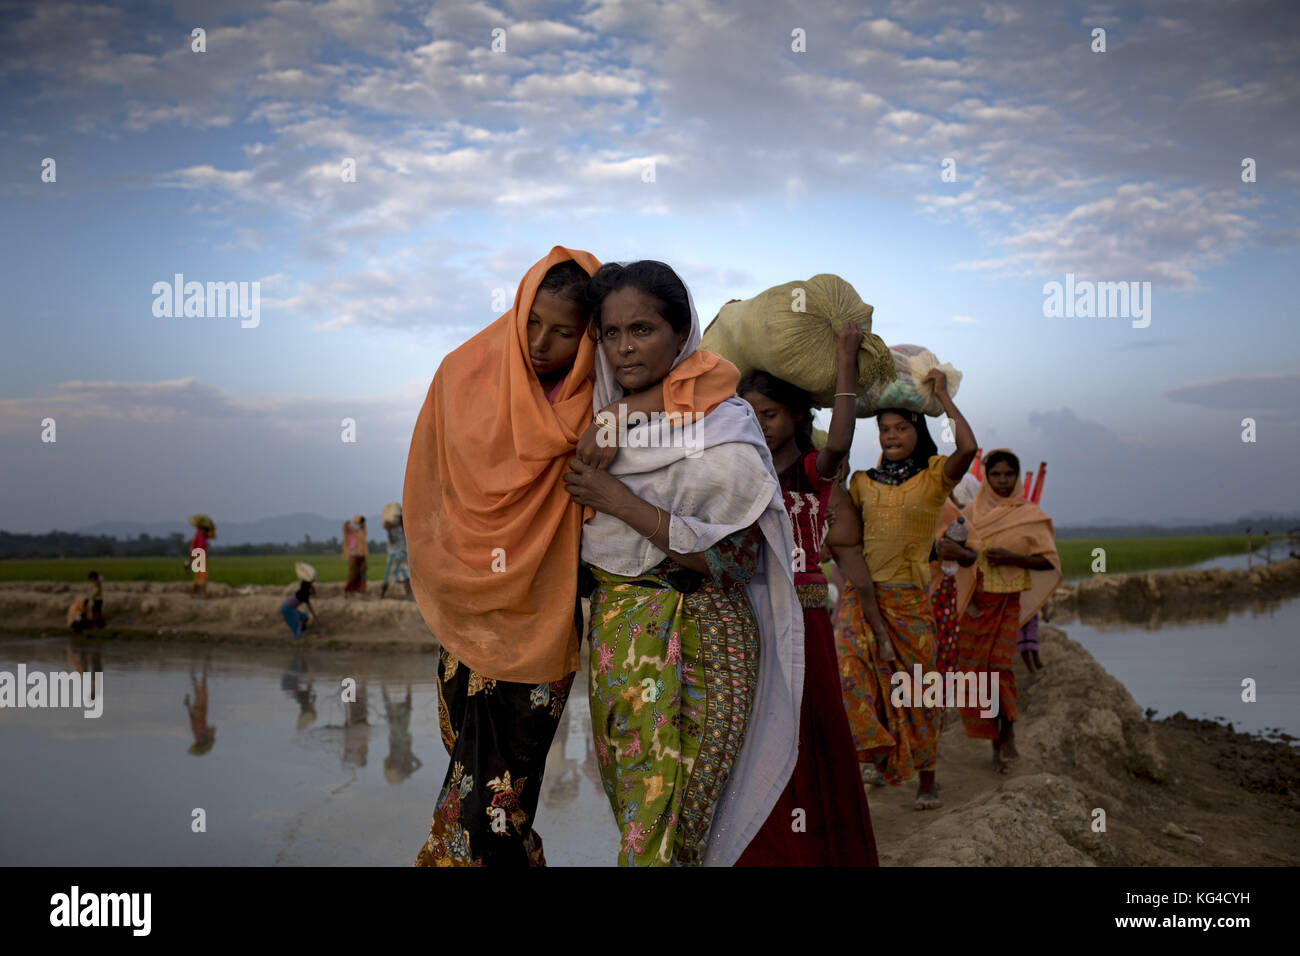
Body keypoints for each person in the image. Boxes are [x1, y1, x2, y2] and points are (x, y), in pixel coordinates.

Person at [403, 247, 738, 867]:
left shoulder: (596, 392)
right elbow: (434, 484)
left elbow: (714, 379)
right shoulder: (465, 374)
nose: (540, 343)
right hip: (469, 615)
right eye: (531, 322)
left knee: (489, 804)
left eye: (565, 331)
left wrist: (620, 416)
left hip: (543, 624)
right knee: (473, 783)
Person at [564, 260, 804, 867]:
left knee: (690, 819)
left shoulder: (725, 423)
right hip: (624, 633)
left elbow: (735, 559)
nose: (624, 348)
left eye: (642, 330)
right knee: (640, 812)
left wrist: (621, 502)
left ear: (681, 333)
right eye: (611, 333)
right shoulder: (594, 424)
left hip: (714, 636)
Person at [734, 342, 878, 866]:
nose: (760, 425)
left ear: (797, 414)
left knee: (810, 725)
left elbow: (840, 439)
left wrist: (843, 360)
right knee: (753, 732)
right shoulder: (742, 476)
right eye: (748, 415)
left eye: (769, 414)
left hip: (805, 614)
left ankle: (821, 850)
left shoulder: (815, 471)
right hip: (750, 617)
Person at [827, 373, 976, 810]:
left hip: (910, 602)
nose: (891, 436)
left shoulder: (933, 477)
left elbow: (968, 448)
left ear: (918, 431)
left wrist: (944, 395)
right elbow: (847, 536)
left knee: (917, 693)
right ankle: (874, 755)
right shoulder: (862, 482)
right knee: (852, 675)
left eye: (901, 428)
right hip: (861, 597)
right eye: (884, 429)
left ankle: (927, 780)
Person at [946, 449, 1061, 772]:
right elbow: (954, 555)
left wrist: (1014, 559)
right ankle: (994, 738)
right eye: (995, 475)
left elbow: (1048, 559)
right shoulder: (970, 512)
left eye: (1008, 474)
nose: (1002, 480)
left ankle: (1006, 736)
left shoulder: (1029, 514)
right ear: (987, 476)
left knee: (999, 669)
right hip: (976, 604)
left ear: (1016, 476)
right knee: (976, 676)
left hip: (1008, 601)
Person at [281, 565, 319, 640]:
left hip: (290, 607)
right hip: (287, 608)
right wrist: (315, 617)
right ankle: (297, 637)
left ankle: (302, 631)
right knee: (297, 623)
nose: (312, 583)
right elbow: (310, 607)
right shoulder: (304, 595)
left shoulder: (303, 592)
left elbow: (314, 593)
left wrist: (311, 585)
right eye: (311, 583)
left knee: (304, 617)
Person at [381, 511, 412, 600]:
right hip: (393, 556)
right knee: (388, 577)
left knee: (406, 577)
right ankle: (382, 595)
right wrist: (389, 530)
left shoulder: (404, 530)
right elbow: (391, 541)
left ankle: (408, 595)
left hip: (402, 555)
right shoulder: (393, 530)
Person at [343, 516, 368, 597]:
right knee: (353, 573)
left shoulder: (361, 531)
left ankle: (360, 589)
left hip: (361, 553)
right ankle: (349, 590)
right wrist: (353, 524)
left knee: (362, 571)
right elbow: (346, 525)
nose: (361, 524)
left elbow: (363, 541)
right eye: (360, 522)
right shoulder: (351, 529)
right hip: (353, 553)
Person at [190, 520, 213, 598]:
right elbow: (192, 546)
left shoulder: (204, 536)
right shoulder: (197, 536)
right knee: (201, 576)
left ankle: (196, 594)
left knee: (202, 576)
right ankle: (202, 594)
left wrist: (212, 526)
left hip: (203, 556)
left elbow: (211, 535)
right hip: (198, 556)